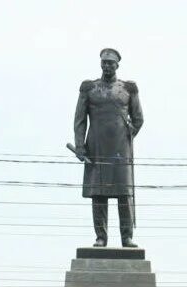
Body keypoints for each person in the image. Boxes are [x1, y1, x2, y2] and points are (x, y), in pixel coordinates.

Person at [73, 47, 143, 247]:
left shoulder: (128, 89)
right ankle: (101, 237)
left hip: (121, 149)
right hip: (96, 147)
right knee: (99, 194)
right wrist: (80, 145)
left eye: (110, 63)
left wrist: (130, 133)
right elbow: (79, 119)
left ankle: (126, 237)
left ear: (117, 65)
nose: (107, 66)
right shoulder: (89, 88)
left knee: (124, 193)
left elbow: (138, 118)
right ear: (100, 64)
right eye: (104, 62)